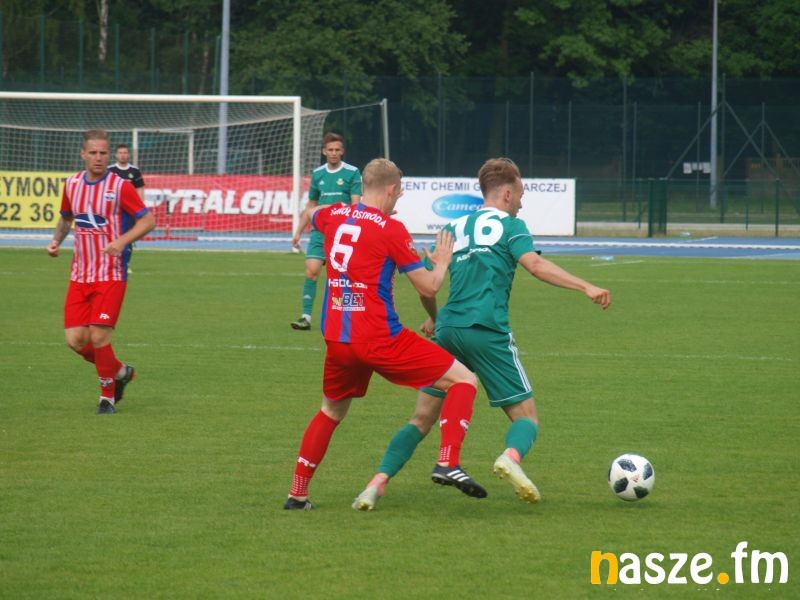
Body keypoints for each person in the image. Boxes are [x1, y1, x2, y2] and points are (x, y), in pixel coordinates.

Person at [352, 157, 611, 510]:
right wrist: (585, 286)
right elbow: (535, 264)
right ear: (506, 194)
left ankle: (376, 484)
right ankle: (510, 458)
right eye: (520, 196)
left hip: (448, 331)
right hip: (487, 330)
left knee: (421, 418)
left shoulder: (453, 228)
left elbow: (426, 287)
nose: (521, 203)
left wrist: (435, 319)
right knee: (527, 417)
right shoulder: (512, 227)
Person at [284, 158, 485, 510]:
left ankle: (297, 494)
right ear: (391, 189)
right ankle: (447, 461)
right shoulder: (392, 229)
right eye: (400, 192)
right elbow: (428, 287)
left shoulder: (332, 215)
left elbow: (312, 212)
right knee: (464, 380)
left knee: (330, 412)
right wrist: (441, 263)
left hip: (338, 339)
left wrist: (305, 227)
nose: (399, 198)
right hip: (380, 337)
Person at [47, 129, 156, 414]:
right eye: (93, 152)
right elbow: (66, 219)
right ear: (83, 154)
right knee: (75, 341)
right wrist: (56, 241)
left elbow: (148, 221)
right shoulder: (72, 185)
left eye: (103, 153)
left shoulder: (120, 187)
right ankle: (120, 372)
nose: (98, 157)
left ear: (109, 155)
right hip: (79, 275)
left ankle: (107, 398)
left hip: (110, 274)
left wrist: (121, 241)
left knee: (98, 336)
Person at [290, 132, 362, 331]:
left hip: (343, 234)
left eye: (337, 149)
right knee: (312, 271)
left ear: (342, 151)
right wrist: (298, 231)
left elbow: (356, 206)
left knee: (343, 278)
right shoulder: (318, 174)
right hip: (319, 232)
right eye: (330, 150)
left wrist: (335, 209)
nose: (334, 153)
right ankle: (305, 317)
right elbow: (311, 205)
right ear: (324, 151)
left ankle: (347, 318)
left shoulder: (352, 172)